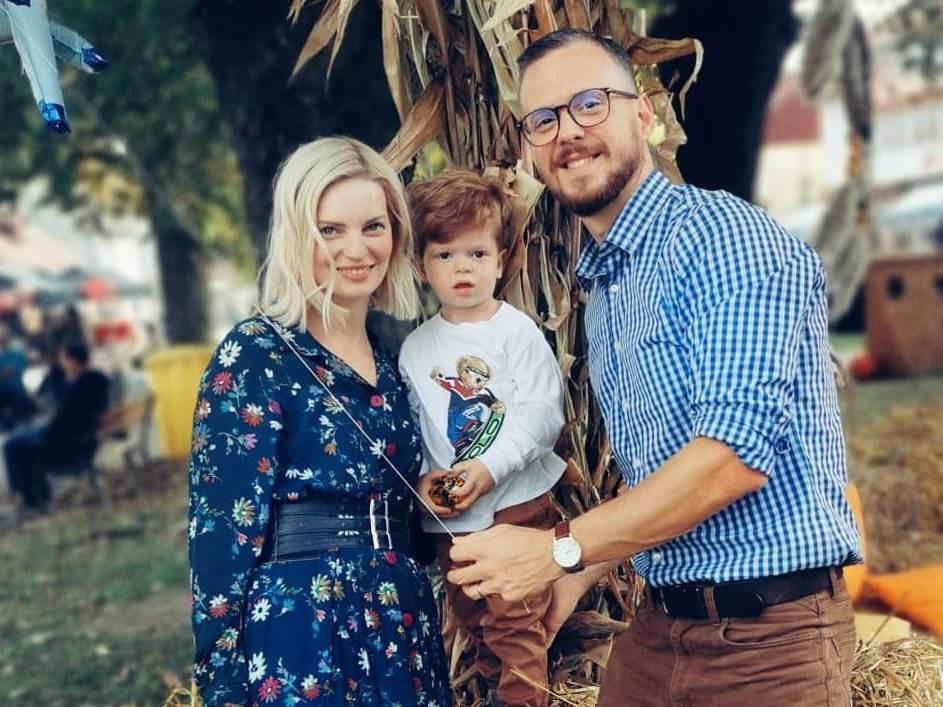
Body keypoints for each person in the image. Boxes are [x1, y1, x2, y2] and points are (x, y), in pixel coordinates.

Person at [446, 28, 862, 706]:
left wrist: (556, 550)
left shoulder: (727, 241)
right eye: (542, 120)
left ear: (643, 113)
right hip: (659, 630)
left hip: (771, 644)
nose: (567, 132)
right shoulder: (607, 286)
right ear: (528, 149)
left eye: (589, 104)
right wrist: (579, 575)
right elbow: (668, 477)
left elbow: (731, 459)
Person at [188, 137, 452, 707]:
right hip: (302, 632)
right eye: (330, 229)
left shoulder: (395, 364)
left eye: (373, 226)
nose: (356, 249)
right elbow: (220, 532)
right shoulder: (255, 353)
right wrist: (222, 684)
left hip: (401, 623)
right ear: (296, 236)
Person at [400, 171, 566, 706]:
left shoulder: (515, 333)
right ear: (422, 267)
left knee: (515, 623)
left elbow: (543, 417)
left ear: (501, 261)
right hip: (451, 520)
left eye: (476, 253)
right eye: (445, 255)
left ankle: (523, 698)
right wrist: (425, 483)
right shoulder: (415, 349)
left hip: (514, 508)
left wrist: (490, 468)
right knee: (477, 618)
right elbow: (418, 430)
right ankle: (500, 689)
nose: (462, 267)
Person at [4, 339, 109, 510]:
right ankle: (31, 497)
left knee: (12, 444)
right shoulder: (96, 381)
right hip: (82, 439)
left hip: (67, 444)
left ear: (73, 361)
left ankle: (27, 497)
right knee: (21, 436)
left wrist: (42, 431)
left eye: (63, 359)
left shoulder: (79, 387)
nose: (61, 363)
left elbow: (64, 422)